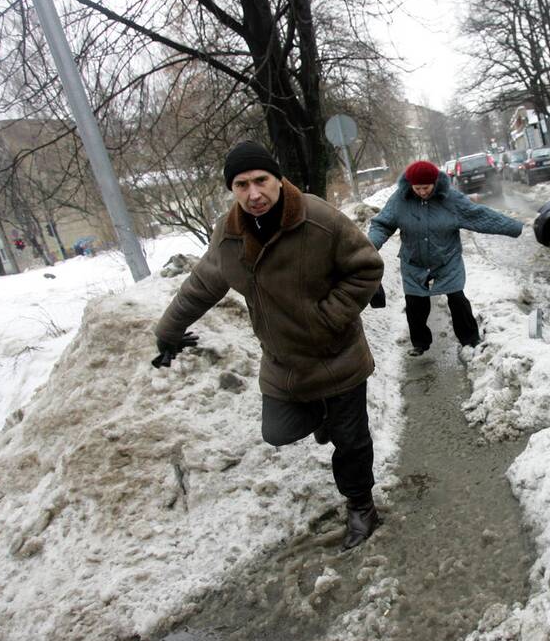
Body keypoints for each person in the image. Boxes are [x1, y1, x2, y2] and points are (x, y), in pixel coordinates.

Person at [152, 140, 385, 550]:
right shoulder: (229, 234)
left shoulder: (318, 220)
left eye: (261, 180)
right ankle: (324, 418)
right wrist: (168, 330)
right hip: (284, 362)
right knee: (277, 431)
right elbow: (203, 283)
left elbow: (367, 267)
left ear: (278, 179)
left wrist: (327, 318)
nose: (253, 193)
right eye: (241, 185)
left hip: (337, 354)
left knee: (352, 442)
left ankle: (361, 507)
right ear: (232, 190)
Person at [368, 160, 522, 357]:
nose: (422, 192)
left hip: (447, 259)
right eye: (417, 188)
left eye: (426, 187)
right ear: (410, 185)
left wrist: (513, 227)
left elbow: (480, 215)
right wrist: (371, 246)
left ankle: (470, 338)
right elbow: (382, 224)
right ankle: (420, 343)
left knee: (457, 299)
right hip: (413, 262)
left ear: (435, 183)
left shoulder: (450, 199)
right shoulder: (400, 199)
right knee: (415, 304)